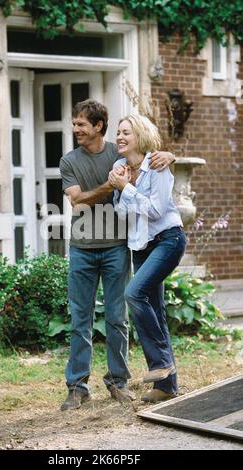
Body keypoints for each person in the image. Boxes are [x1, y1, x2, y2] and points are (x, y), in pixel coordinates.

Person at [59, 100, 175, 411]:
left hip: (115, 248)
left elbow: (148, 159)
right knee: (79, 320)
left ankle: (117, 382)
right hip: (82, 249)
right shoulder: (68, 161)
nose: (76, 130)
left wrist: (170, 154)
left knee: (117, 319)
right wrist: (111, 185)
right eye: (75, 124)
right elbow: (78, 202)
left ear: (98, 126)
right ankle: (77, 386)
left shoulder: (117, 152)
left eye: (81, 124)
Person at [108, 114, 186, 403]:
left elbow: (155, 211)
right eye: (118, 132)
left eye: (125, 132)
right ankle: (167, 386)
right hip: (140, 245)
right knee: (156, 309)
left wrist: (125, 189)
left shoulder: (158, 165)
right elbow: (121, 214)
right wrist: (123, 190)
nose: (119, 136)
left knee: (134, 294)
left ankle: (161, 363)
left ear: (139, 136)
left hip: (168, 240)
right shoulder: (119, 167)